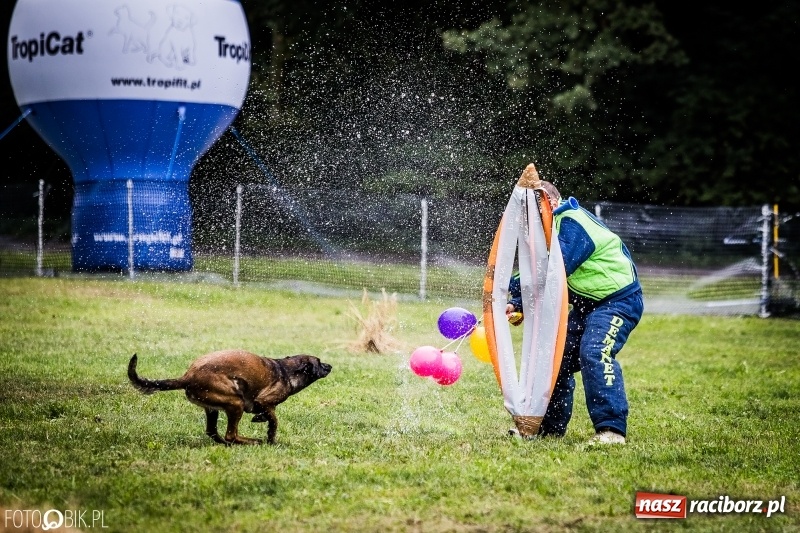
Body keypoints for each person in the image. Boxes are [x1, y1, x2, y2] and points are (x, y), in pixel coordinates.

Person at [506, 180, 643, 444]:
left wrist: (511, 288)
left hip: (618, 301)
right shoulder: (551, 231)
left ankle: (612, 430)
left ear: (551, 204)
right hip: (587, 306)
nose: (527, 219)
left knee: (594, 351)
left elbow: (554, 269)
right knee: (553, 359)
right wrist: (518, 302)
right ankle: (546, 429)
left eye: (532, 211)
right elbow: (541, 271)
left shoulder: (572, 222)